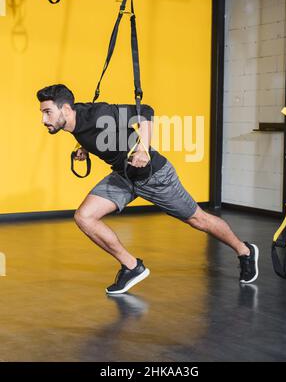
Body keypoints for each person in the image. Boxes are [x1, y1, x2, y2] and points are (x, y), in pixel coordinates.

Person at [37, 84, 259, 294]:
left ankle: (245, 251)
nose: (43, 119)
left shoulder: (99, 113)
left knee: (197, 219)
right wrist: (82, 147)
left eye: (47, 112)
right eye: (42, 113)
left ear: (66, 109)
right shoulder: (76, 119)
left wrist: (143, 149)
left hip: (154, 176)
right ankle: (132, 266)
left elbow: (145, 111)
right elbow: (94, 134)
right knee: (84, 217)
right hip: (124, 177)